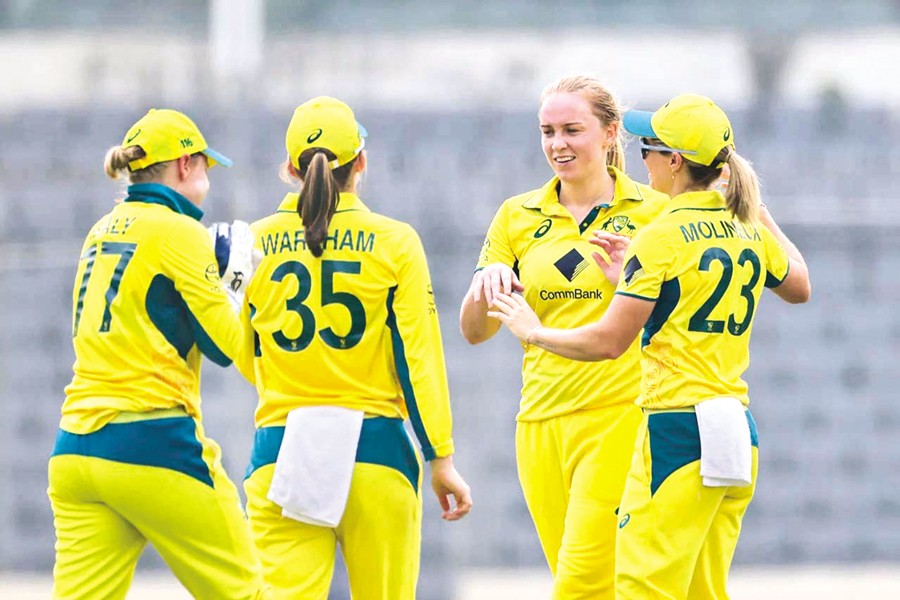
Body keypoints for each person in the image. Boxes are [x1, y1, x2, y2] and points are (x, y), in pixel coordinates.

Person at [487, 94, 811, 599]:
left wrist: (534, 332)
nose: (641, 161)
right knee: (703, 590)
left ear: (674, 161)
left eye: (649, 150)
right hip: (735, 427)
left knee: (640, 587)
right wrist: (759, 214)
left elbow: (609, 341)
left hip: (676, 429)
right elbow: (799, 285)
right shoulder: (743, 226)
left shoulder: (659, 235)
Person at [241, 96, 472, 600]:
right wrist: (439, 456)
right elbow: (418, 359)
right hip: (376, 452)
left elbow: (241, 349)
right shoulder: (396, 241)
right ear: (361, 162)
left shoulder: (251, 242)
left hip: (281, 451)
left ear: (290, 169)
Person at [459, 75, 668, 598]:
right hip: (539, 424)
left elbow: (677, 313)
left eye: (572, 130)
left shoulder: (654, 211)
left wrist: (634, 278)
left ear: (610, 133)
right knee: (587, 580)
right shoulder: (516, 215)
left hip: (618, 416)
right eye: (547, 132)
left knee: (580, 584)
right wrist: (485, 284)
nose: (558, 144)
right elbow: (475, 332)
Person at [48, 109, 267, 599]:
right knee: (249, 593)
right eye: (206, 164)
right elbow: (225, 347)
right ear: (185, 164)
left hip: (75, 450)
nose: (209, 176)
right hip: (154, 441)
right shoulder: (179, 231)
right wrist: (237, 283)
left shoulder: (100, 228)